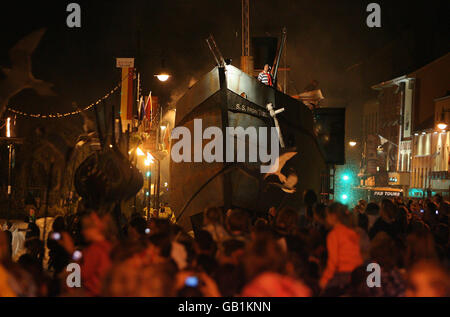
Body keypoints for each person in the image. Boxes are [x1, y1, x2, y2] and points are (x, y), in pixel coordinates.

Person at [319, 203, 363, 291]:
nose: (326, 218)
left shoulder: (334, 234)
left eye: (327, 216)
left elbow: (333, 261)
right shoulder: (353, 232)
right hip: (358, 274)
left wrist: (324, 280)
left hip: (343, 275)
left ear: (333, 216)